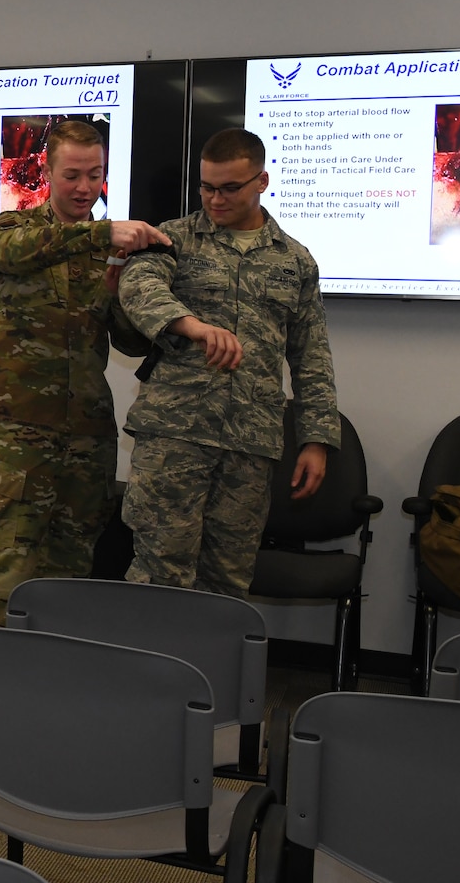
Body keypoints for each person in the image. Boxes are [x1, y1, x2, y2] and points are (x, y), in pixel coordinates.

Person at [116, 127, 339, 598]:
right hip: (174, 435)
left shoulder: (295, 261)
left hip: (249, 444)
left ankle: (213, 674)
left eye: (229, 188)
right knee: (160, 575)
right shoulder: (169, 240)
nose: (215, 199)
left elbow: (311, 354)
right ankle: (153, 673)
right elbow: (138, 290)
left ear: (262, 181)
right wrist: (191, 325)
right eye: (206, 187)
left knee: (228, 582)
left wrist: (316, 439)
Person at [0, 120, 165, 625]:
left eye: (95, 175)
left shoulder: (107, 252)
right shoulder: (11, 230)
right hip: (20, 428)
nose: (84, 187)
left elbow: (129, 342)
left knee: (71, 568)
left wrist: (123, 285)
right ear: (47, 171)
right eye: (72, 174)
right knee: (6, 561)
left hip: (87, 432)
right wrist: (99, 233)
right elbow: (2, 256)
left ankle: (52, 681)